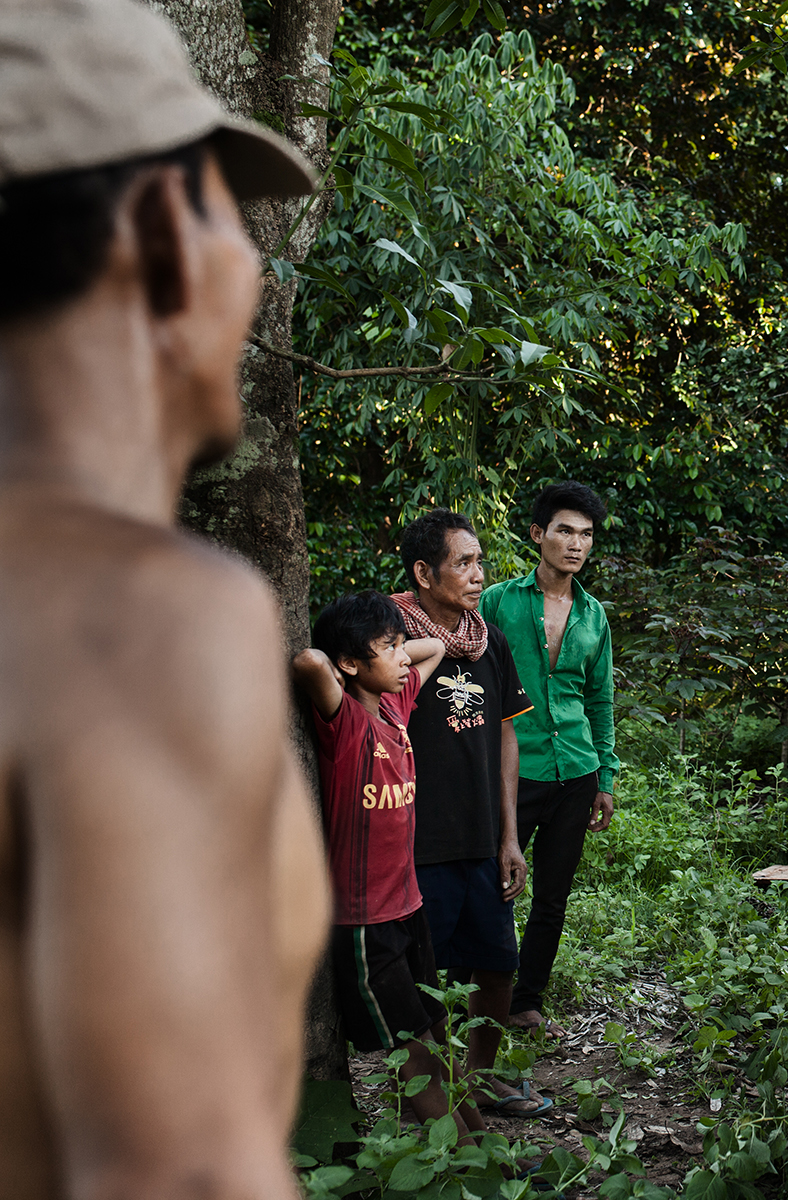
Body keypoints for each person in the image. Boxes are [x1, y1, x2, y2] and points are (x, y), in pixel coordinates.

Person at [0, 0, 332, 1193]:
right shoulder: (135, 616)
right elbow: (178, 1172)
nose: (248, 263)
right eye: (229, 212)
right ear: (159, 232)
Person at [292, 594, 481, 1134]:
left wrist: (388, 644)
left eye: (400, 646)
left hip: (408, 907)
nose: (403, 657)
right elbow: (308, 662)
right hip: (364, 923)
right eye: (388, 648)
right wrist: (341, 660)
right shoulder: (345, 722)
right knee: (413, 1055)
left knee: (437, 1037)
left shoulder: (396, 708)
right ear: (350, 665)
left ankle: (488, 1152)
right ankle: (467, 1169)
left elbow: (436, 646)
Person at [393, 511, 550, 1117]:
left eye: (480, 561)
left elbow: (506, 739)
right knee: (420, 983)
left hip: (482, 839)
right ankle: (431, 1107)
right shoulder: (391, 645)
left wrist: (510, 836)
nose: (479, 574)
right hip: (417, 843)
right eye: (464, 563)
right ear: (423, 573)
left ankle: (480, 1081)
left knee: (495, 968)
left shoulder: (489, 640)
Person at [480, 481, 621, 1038]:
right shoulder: (498, 602)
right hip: (514, 770)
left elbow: (600, 699)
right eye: (565, 531)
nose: (576, 544)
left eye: (586, 535)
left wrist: (604, 777)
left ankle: (525, 1000)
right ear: (539, 535)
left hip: (576, 771)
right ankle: (484, 993)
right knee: (497, 884)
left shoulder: (593, 616)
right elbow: (474, 683)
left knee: (553, 895)